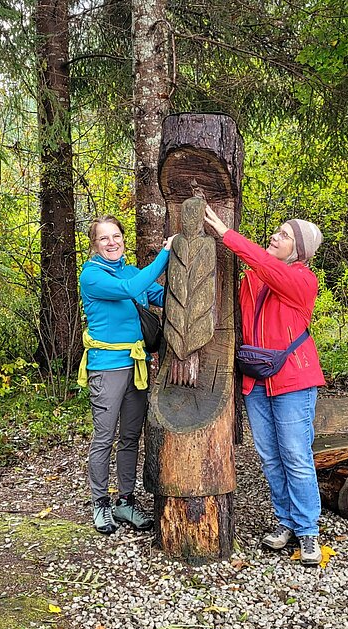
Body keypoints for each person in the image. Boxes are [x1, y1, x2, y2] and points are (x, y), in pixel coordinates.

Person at [204, 205, 325, 566]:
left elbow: (268, 267)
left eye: (285, 235)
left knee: (296, 456)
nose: (276, 236)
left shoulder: (302, 280)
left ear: (299, 251)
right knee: (271, 457)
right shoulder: (253, 279)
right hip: (256, 379)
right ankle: (286, 522)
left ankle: (307, 531)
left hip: (293, 378)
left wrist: (227, 234)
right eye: (278, 230)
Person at [78, 215, 176, 535]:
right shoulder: (92, 276)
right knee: (105, 437)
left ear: (122, 238)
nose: (112, 242)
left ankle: (125, 501)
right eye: (104, 238)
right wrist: (166, 254)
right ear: (94, 245)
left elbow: (159, 296)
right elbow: (130, 289)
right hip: (107, 368)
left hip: (138, 365)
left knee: (131, 437)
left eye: (116, 236)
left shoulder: (132, 271)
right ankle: (100, 503)